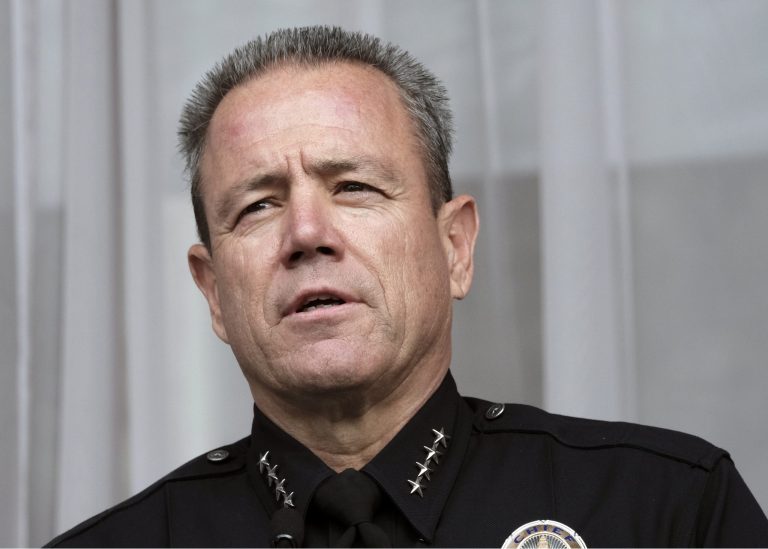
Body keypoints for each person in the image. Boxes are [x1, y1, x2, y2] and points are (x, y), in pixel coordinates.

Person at [47, 26, 768, 548]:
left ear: (455, 246)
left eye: (353, 186)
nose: (306, 233)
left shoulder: (668, 511)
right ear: (212, 293)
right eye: (258, 205)